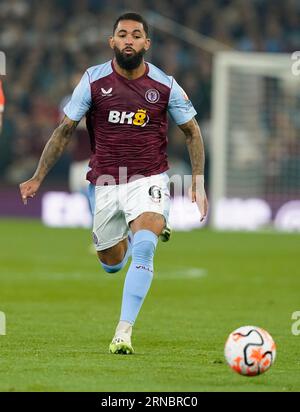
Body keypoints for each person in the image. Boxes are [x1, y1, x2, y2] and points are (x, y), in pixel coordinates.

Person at [19, 12, 208, 355]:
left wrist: (198, 181)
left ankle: (123, 331)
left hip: (150, 177)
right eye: (123, 34)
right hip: (105, 183)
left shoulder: (165, 85)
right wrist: (38, 176)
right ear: (112, 42)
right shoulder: (93, 80)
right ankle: (141, 234)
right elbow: (64, 130)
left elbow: (191, 130)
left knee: (146, 241)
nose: (129, 40)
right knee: (111, 263)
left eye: (137, 35)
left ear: (146, 44)